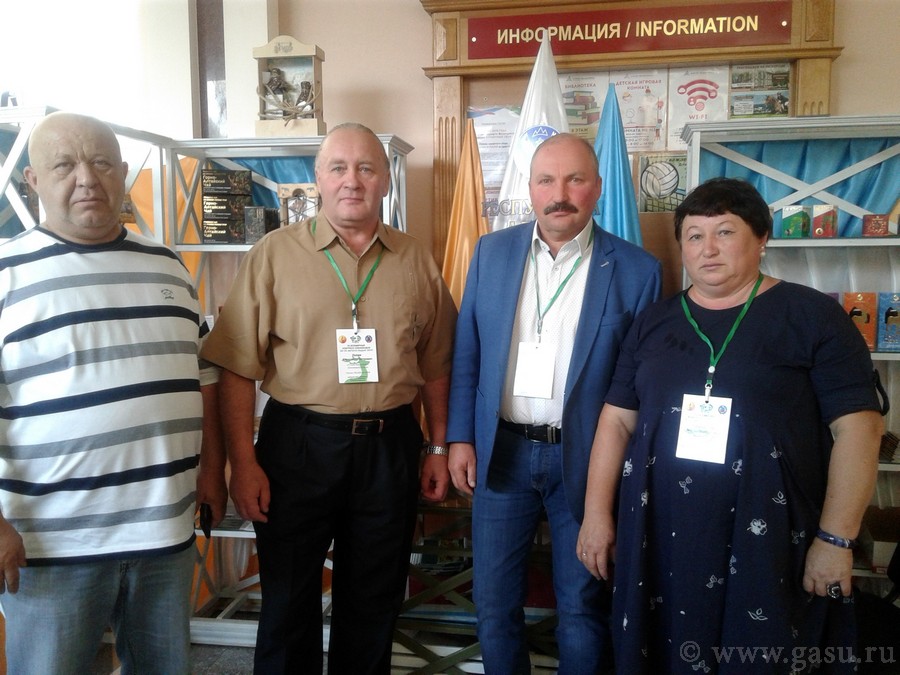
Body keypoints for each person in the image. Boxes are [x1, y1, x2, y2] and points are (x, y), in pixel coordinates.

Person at [577, 177, 884, 674]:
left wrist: (835, 540)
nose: (708, 249)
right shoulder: (653, 323)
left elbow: (859, 430)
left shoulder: (813, 316)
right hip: (660, 537)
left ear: (762, 238)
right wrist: (596, 515)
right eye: (694, 236)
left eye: (725, 232)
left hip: (769, 538)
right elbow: (616, 420)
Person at [200, 122, 457, 674]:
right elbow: (236, 367)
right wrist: (243, 464)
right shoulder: (273, 254)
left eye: (366, 168)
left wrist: (437, 447)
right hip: (298, 447)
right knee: (288, 601)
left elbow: (437, 365)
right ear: (317, 179)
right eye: (338, 168)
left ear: (385, 179)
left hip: (389, 448)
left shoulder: (415, 259)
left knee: (374, 603)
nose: (352, 181)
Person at [0, 111, 227, 674]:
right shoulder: (6, 275)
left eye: (101, 162)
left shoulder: (168, 266)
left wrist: (210, 470)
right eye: (64, 165)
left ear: (123, 172)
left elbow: (201, 377)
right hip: (52, 546)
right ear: (33, 180)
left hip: (164, 534)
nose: (87, 179)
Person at [447, 132, 662, 674]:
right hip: (501, 453)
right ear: (530, 188)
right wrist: (459, 437)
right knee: (493, 604)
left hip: (586, 464)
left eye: (575, 179)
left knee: (582, 608)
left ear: (598, 188)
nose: (559, 194)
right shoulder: (491, 252)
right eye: (546, 180)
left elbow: (640, 387)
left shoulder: (638, 270)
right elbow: (467, 351)